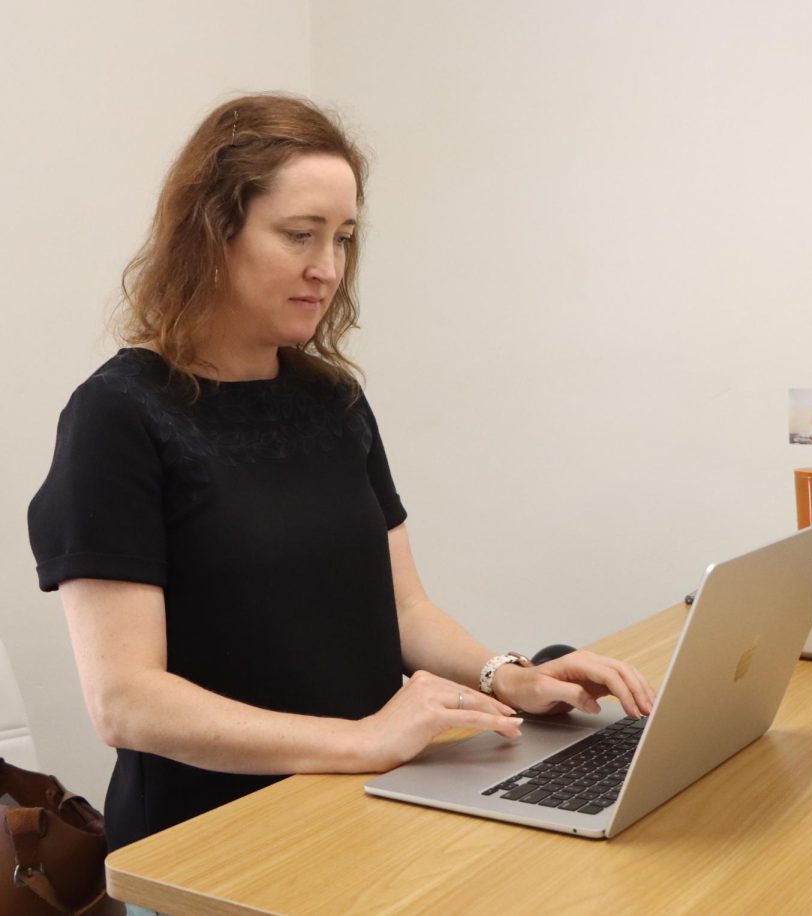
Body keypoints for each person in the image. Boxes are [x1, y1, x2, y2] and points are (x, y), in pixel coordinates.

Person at [27, 94, 655, 859]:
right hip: (207, 844)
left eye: (343, 238)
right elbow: (127, 703)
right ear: (210, 233)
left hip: (359, 810)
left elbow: (405, 609)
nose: (326, 269)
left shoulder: (333, 399)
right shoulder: (116, 417)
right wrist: (361, 741)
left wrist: (507, 676)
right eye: (298, 235)